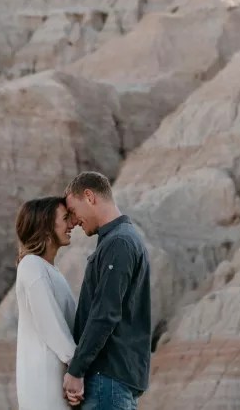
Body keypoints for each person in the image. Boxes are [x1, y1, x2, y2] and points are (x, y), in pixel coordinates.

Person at [61, 171, 151, 410]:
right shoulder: (119, 240)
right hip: (114, 379)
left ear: (89, 196)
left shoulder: (119, 243)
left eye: (73, 211)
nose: (74, 221)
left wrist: (76, 370)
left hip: (107, 379)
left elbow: (105, 313)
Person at [15, 196, 79, 409]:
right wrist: (78, 368)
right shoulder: (32, 266)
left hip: (58, 380)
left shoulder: (50, 270)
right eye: (65, 218)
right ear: (46, 225)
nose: (72, 224)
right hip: (44, 384)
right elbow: (50, 325)